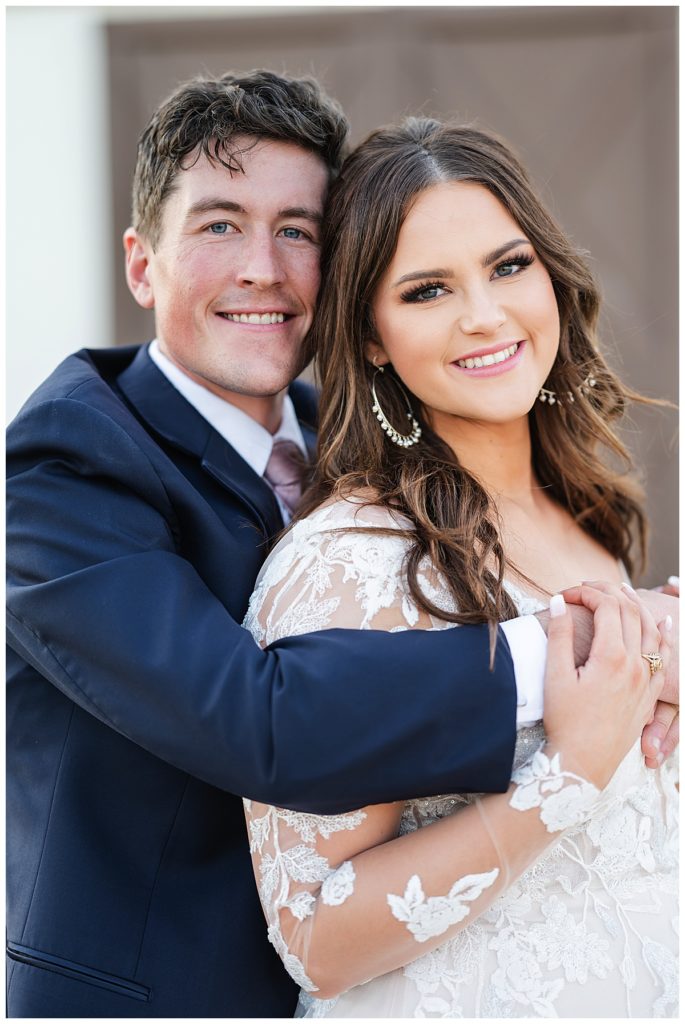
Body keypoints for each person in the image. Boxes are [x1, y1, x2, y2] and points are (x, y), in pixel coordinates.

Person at [5, 72, 676, 1018]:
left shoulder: (371, 444)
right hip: (156, 991)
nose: (263, 270)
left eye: (297, 232)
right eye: (217, 225)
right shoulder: (67, 461)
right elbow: (257, 720)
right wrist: (603, 650)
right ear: (141, 264)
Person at [242, 118, 679, 1017]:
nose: (484, 314)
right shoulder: (349, 564)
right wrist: (567, 777)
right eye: (428, 289)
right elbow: (313, 940)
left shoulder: (592, 512)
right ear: (369, 337)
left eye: (508, 266)